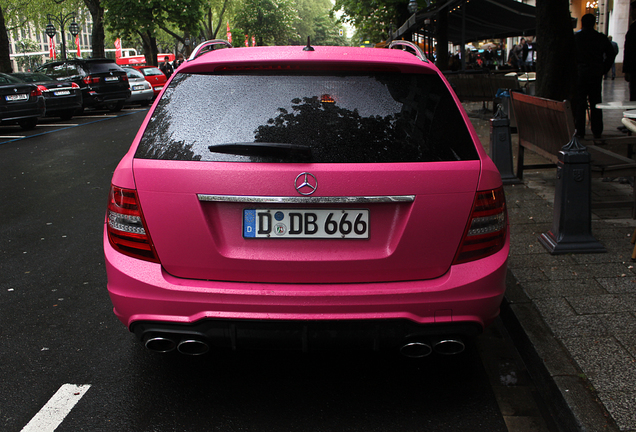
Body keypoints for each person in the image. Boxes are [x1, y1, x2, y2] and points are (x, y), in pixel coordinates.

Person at [573, 13, 617, 138]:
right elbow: (611, 54)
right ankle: (597, 130)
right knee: (596, 103)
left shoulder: (577, 38)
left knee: (580, 103)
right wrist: (604, 68)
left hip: (581, 73)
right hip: (595, 73)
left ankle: (580, 130)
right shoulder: (600, 38)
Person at [624, 8, 636, 101]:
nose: (631, 14)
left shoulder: (633, 29)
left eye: (632, 11)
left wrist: (627, 70)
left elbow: (629, 50)